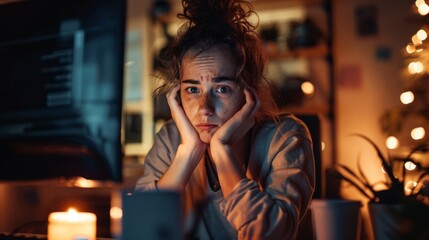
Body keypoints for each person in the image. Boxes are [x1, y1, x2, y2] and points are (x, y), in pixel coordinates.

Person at [135, 0, 315, 239]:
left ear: (248, 92)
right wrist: (188, 152)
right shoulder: (171, 139)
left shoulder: (285, 137)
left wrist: (221, 150)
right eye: (192, 90)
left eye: (221, 89)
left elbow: (268, 235)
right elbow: (140, 228)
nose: (204, 108)